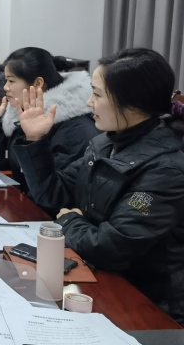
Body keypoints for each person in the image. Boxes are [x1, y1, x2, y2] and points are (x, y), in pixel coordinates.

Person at [11, 48, 184, 324]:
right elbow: (52, 194)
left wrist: (68, 221)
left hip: (150, 306)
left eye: (98, 94)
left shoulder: (167, 169)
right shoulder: (105, 143)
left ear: (132, 102)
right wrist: (35, 142)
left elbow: (112, 248)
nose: (89, 102)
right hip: (98, 280)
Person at [0, 48, 98, 192]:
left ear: (38, 83)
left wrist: (34, 140)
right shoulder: (21, 114)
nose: (5, 87)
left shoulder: (76, 130)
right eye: (6, 80)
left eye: (11, 81)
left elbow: (54, 193)